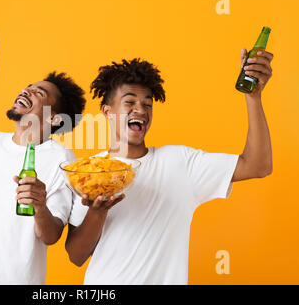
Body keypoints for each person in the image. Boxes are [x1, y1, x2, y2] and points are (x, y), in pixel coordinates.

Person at [65, 50, 273, 284]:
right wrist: (97, 212)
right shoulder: (88, 173)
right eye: (130, 102)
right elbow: (76, 256)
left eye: (147, 104)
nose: (141, 111)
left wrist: (253, 97)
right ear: (107, 111)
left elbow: (258, 165)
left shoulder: (180, 163)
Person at [0, 71, 85, 284]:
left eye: (39, 92)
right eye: (28, 86)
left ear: (54, 118)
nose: (26, 90)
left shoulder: (62, 159)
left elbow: (50, 235)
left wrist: (40, 206)